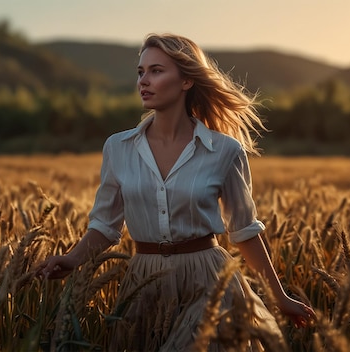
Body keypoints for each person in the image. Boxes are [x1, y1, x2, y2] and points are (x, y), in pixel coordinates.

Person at [37, 33, 316, 351]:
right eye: (141, 72)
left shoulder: (224, 150)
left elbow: (245, 231)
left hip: (207, 281)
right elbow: (104, 227)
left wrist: (280, 298)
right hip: (144, 284)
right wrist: (72, 259)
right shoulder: (118, 147)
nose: (144, 80)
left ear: (186, 81)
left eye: (156, 71)